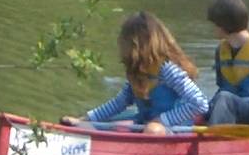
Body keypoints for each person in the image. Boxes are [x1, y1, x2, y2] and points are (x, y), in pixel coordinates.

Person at [62, 11, 208, 134]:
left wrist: (161, 121)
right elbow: (118, 103)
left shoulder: (168, 70)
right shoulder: (138, 73)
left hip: (174, 130)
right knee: (96, 125)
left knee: (153, 129)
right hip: (144, 125)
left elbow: (199, 103)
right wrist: (84, 120)